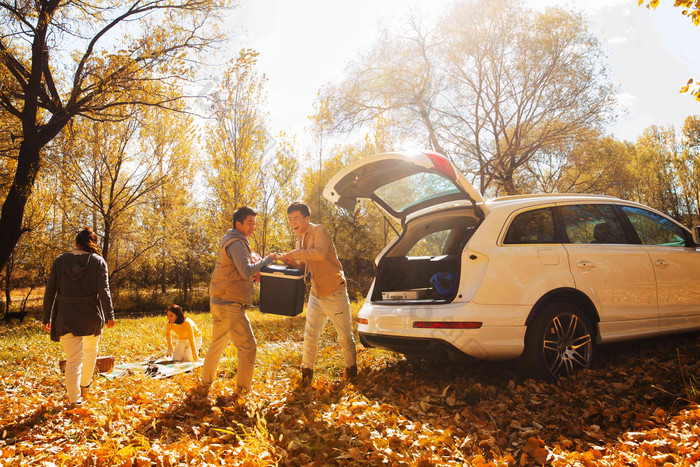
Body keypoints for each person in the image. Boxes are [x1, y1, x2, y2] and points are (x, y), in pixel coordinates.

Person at [279, 202, 357, 383]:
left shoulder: (320, 231)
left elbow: (320, 253)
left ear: (307, 219)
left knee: (345, 336)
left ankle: (352, 375)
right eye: (290, 219)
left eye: (296, 218)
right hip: (315, 293)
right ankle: (306, 376)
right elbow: (304, 263)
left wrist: (295, 254)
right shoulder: (299, 240)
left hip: (334, 290)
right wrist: (290, 261)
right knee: (310, 335)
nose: (292, 222)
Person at [201, 206, 276, 393]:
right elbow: (246, 271)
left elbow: (241, 271)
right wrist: (267, 260)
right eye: (250, 223)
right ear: (238, 223)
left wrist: (253, 271)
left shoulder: (232, 241)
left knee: (217, 344)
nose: (253, 227)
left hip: (218, 301)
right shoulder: (236, 243)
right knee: (248, 347)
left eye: (254, 223)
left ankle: (205, 384)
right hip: (229, 303)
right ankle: (243, 391)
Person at [43, 228, 115, 405]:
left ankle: (74, 401)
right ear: (92, 244)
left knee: (73, 359)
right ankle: (85, 387)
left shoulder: (60, 261)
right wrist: (110, 315)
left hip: (66, 315)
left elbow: (50, 291)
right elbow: (104, 290)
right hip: (91, 315)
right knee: (90, 352)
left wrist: (46, 317)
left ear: (76, 243)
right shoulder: (98, 261)